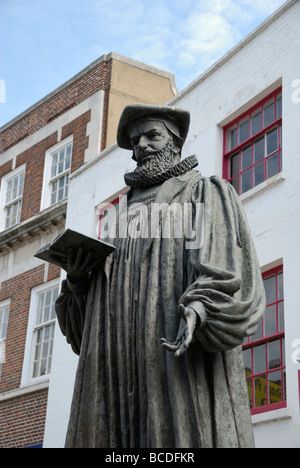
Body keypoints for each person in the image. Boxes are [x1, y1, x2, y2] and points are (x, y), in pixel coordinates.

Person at [54, 104, 265, 448]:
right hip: (116, 379)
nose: (142, 146)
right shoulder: (114, 221)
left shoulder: (204, 193)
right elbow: (84, 334)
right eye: (136, 140)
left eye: (153, 135)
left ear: (176, 143)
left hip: (174, 362)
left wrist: (199, 309)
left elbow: (224, 269)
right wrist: (78, 281)